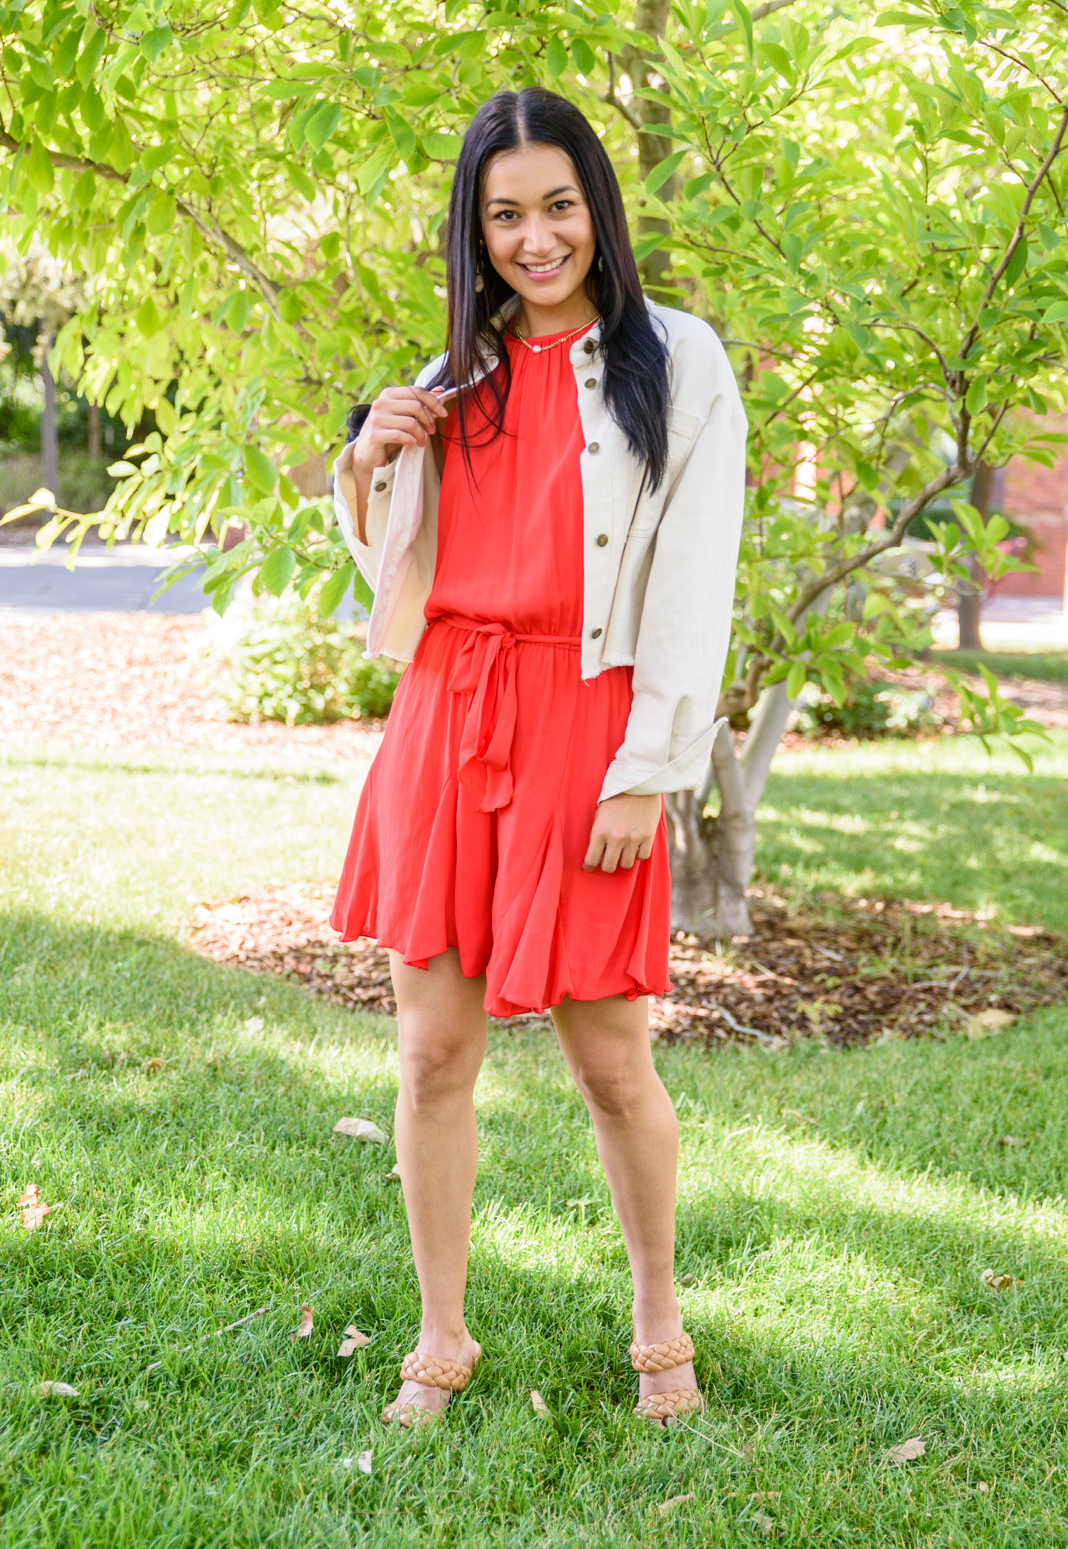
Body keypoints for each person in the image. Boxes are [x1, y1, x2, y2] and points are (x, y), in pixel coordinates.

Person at [330, 87, 747, 1429]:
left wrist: (649, 767)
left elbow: (694, 578)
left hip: (589, 727)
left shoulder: (676, 361)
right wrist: (367, 463)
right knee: (432, 1051)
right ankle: (440, 1337)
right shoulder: (454, 374)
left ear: (598, 208)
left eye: (558, 205)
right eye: (505, 214)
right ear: (477, 229)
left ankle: (658, 1325)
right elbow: (396, 592)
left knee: (611, 1058)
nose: (536, 237)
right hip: (448, 720)